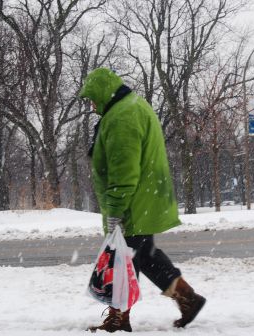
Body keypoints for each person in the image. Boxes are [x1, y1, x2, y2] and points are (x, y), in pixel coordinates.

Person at [79, 68, 206, 333]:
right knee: (144, 256)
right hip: (145, 198)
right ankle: (188, 299)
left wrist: (115, 211)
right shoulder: (129, 107)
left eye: (93, 98)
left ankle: (118, 319)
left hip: (132, 203)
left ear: (104, 93)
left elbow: (124, 172)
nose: (92, 105)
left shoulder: (122, 116)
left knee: (122, 260)